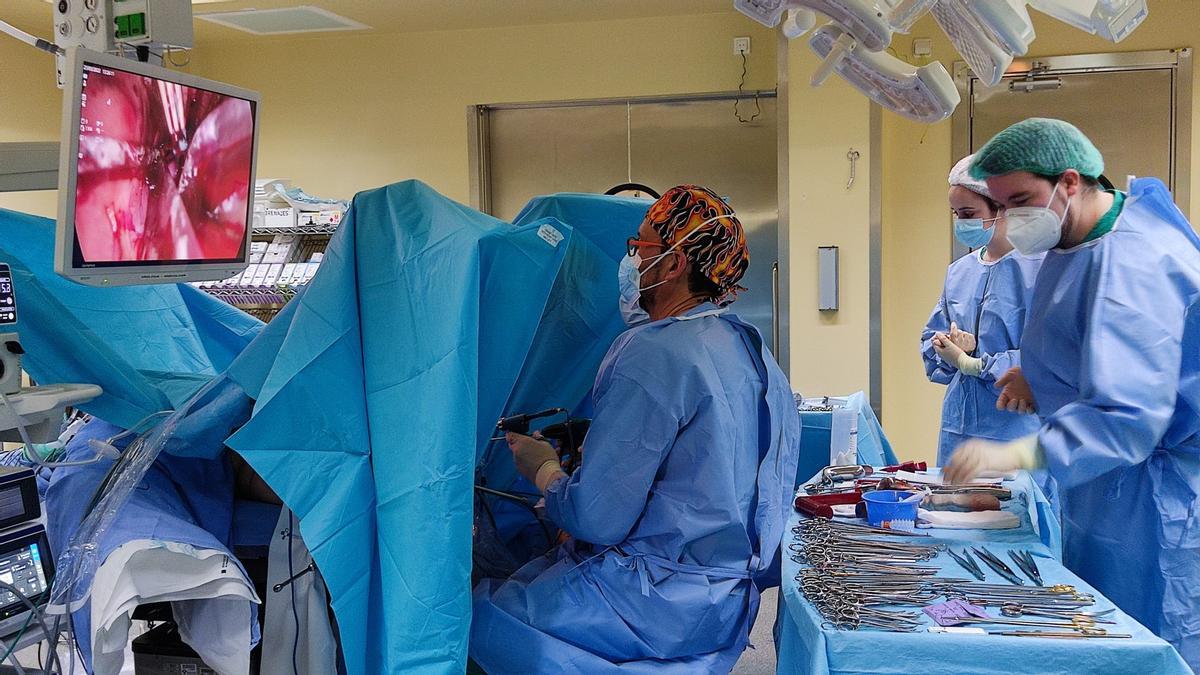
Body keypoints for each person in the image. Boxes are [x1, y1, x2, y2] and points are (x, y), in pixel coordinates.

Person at [469, 185, 800, 673]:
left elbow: (598, 519)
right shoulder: (750, 347)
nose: (628, 260)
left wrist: (544, 472)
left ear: (672, 265)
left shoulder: (650, 350)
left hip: (649, 606)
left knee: (475, 618)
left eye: (638, 247)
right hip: (723, 604)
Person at [944, 118, 1200, 669]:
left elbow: (1129, 413)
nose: (1010, 220)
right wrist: (1039, 380)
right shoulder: (1077, 240)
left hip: (1157, 496)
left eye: (1020, 201)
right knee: (1099, 633)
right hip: (1107, 482)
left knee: (1154, 643)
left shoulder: (1135, 260)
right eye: (1001, 206)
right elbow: (1087, 347)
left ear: (1069, 182)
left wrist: (1017, 452)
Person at [920, 154, 1043, 468]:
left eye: (969, 213)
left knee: (1017, 513)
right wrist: (945, 347)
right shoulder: (959, 272)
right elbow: (931, 342)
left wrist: (977, 362)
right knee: (952, 512)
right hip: (958, 425)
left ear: (1003, 208)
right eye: (956, 213)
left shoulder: (1038, 272)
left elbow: (1049, 358)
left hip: (1014, 428)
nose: (962, 222)